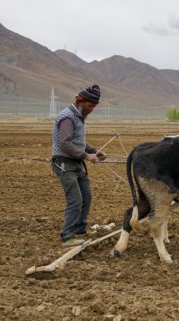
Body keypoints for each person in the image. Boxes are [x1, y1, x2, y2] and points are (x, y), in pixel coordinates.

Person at [51, 85, 106, 247]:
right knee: (75, 199)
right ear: (81, 102)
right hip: (64, 162)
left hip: (75, 162)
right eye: (90, 106)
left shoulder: (80, 117)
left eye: (94, 107)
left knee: (86, 197)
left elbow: (78, 141)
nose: (92, 110)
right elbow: (65, 142)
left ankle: (79, 230)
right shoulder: (68, 117)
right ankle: (67, 235)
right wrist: (86, 156)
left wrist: (94, 151)